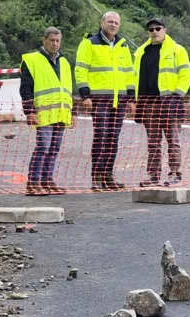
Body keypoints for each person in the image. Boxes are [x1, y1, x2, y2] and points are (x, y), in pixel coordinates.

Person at [75, 11, 136, 191]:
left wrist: (131, 98)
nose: (113, 25)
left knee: (112, 138)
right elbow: (81, 70)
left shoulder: (123, 46)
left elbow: (129, 73)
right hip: (99, 99)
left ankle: (108, 176)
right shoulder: (89, 44)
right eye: (110, 21)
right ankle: (96, 176)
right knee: (100, 136)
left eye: (116, 22)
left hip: (120, 100)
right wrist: (85, 96)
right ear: (102, 22)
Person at [133, 17, 190, 187]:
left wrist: (176, 97)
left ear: (165, 30)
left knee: (172, 139)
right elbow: (135, 78)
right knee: (153, 142)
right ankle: (153, 175)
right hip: (148, 103)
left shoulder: (177, 50)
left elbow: (186, 76)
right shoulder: (141, 53)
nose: (154, 32)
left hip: (169, 102)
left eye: (158, 28)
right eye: (151, 29)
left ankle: (175, 173)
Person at [19, 27, 72, 196]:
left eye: (58, 41)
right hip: (42, 113)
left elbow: (69, 89)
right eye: (52, 40)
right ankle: (33, 182)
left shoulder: (64, 62)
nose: (55, 44)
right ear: (44, 40)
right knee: (43, 147)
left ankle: (46, 181)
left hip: (61, 113)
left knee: (54, 149)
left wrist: (74, 112)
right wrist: (29, 112)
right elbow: (26, 89)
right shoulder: (32, 60)